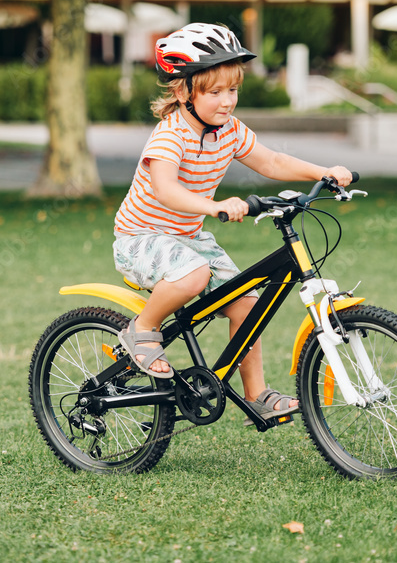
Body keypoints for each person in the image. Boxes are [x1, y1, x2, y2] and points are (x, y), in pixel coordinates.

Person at [113, 23, 353, 424]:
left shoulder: (229, 131)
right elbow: (168, 191)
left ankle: (256, 394)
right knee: (193, 275)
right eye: (214, 92)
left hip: (187, 237)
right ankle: (141, 330)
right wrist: (214, 205)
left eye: (233, 90)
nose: (227, 101)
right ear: (183, 91)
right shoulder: (169, 136)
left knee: (246, 305)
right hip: (141, 238)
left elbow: (272, 161)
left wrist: (323, 171)